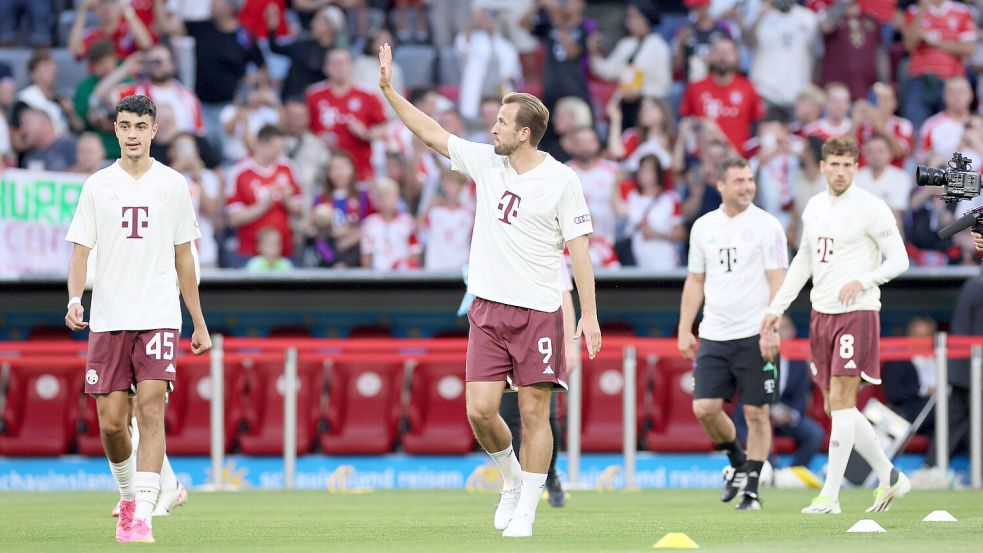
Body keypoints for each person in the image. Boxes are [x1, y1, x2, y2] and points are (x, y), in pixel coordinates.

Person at [378, 43, 601, 538]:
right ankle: (511, 479)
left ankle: (527, 512)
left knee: (533, 412)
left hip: (540, 311)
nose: (493, 127)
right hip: (487, 308)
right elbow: (434, 133)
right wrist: (390, 91)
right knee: (480, 409)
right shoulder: (486, 163)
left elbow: (580, 252)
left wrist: (588, 315)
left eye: (502, 122)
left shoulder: (562, 181)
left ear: (524, 133)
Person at [64, 94, 211, 543]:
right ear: (115, 130)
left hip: (158, 314)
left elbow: (185, 255)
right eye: (124, 125)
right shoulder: (97, 185)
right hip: (109, 317)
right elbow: (80, 250)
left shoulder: (172, 185)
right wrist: (74, 298)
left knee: (150, 408)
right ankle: (129, 495)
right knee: (111, 422)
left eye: (139, 126)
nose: (131, 133)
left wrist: (197, 321)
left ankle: (142, 513)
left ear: (153, 131)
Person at [760, 136, 910, 515]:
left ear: (855, 168)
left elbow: (900, 260)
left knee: (843, 400)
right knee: (832, 405)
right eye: (835, 164)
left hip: (857, 311)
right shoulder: (813, 207)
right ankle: (890, 476)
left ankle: (830, 495)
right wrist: (776, 308)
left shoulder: (872, 208)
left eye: (848, 165)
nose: (841, 171)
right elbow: (802, 262)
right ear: (823, 167)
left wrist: (864, 280)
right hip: (820, 313)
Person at [678, 158, 788, 511]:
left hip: (756, 334)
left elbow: (778, 280)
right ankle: (738, 463)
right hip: (714, 332)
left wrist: (772, 326)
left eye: (750, 180)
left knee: (757, 414)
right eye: (738, 180)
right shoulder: (703, 227)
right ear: (721, 184)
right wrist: (684, 328)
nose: (746, 186)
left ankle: (752, 491)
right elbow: (695, 280)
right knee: (705, 408)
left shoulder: (767, 226)